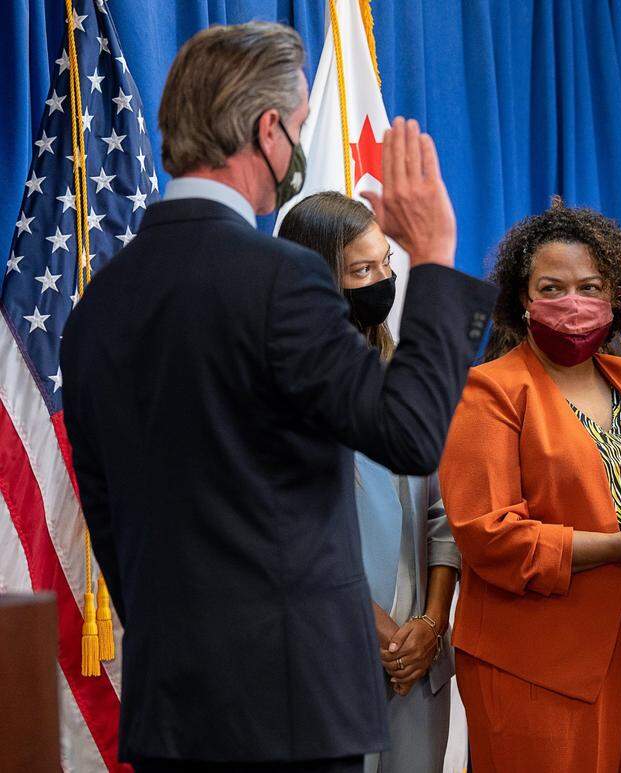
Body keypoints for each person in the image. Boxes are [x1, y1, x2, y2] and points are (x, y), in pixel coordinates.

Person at [60, 22, 497, 773]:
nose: (297, 148)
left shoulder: (98, 305)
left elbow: (108, 519)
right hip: (291, 712)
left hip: (173, 709)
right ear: (266, 131)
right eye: (297, 129)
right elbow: (409, 433)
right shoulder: (281, 280)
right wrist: (432, 257)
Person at [438, 198, 621, 772]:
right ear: (522, 299)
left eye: (591, 287)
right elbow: (488, 535)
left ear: (616, 297)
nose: (573, 304)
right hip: (542, 657)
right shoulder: (490, 390)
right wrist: (620, 545)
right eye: (551, 288)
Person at [279, 191, 461, 773]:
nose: (382, 282)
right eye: (362, 270)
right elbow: (291, 532)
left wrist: (432, 624)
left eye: (386, 263)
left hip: (418, 661)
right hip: (331, 659)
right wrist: (376, 628)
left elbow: (444, 515)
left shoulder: (401, 375)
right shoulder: (280, 392)